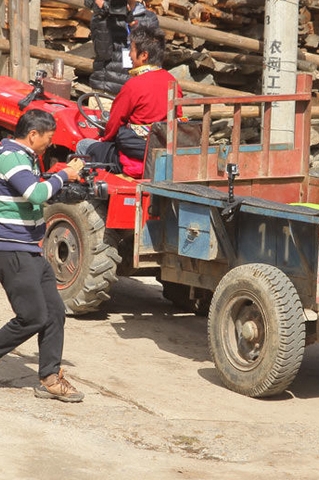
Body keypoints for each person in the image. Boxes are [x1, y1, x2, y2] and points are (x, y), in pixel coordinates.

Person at [0, 110, 85, 403]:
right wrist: (63, 175)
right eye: (48, 141)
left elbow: (35, 192)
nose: (49, 146)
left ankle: (50, 378)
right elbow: (35, 194)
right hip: (11, 246)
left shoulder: (26, 157)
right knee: (32, 316)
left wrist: (60, 180)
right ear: (32, 134)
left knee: (54, 313)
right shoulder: (9, 155)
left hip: (30, 246)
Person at [77, 24, 182, 178]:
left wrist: (104, 139)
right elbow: (178, 117)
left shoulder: (134, 85)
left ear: (144, 55)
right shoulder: (172, 81)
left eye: (132, 50)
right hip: (163, 152)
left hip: (135, 156)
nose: (130, 55)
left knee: (83, 145)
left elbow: (114, 123)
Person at [86, 0, 159, 95]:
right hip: (107, 88)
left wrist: (131, 22)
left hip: (136, 91)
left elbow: (151, 56)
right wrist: (103, 18)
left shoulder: (148, 18)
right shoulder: (103, 15)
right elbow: (103, 53)